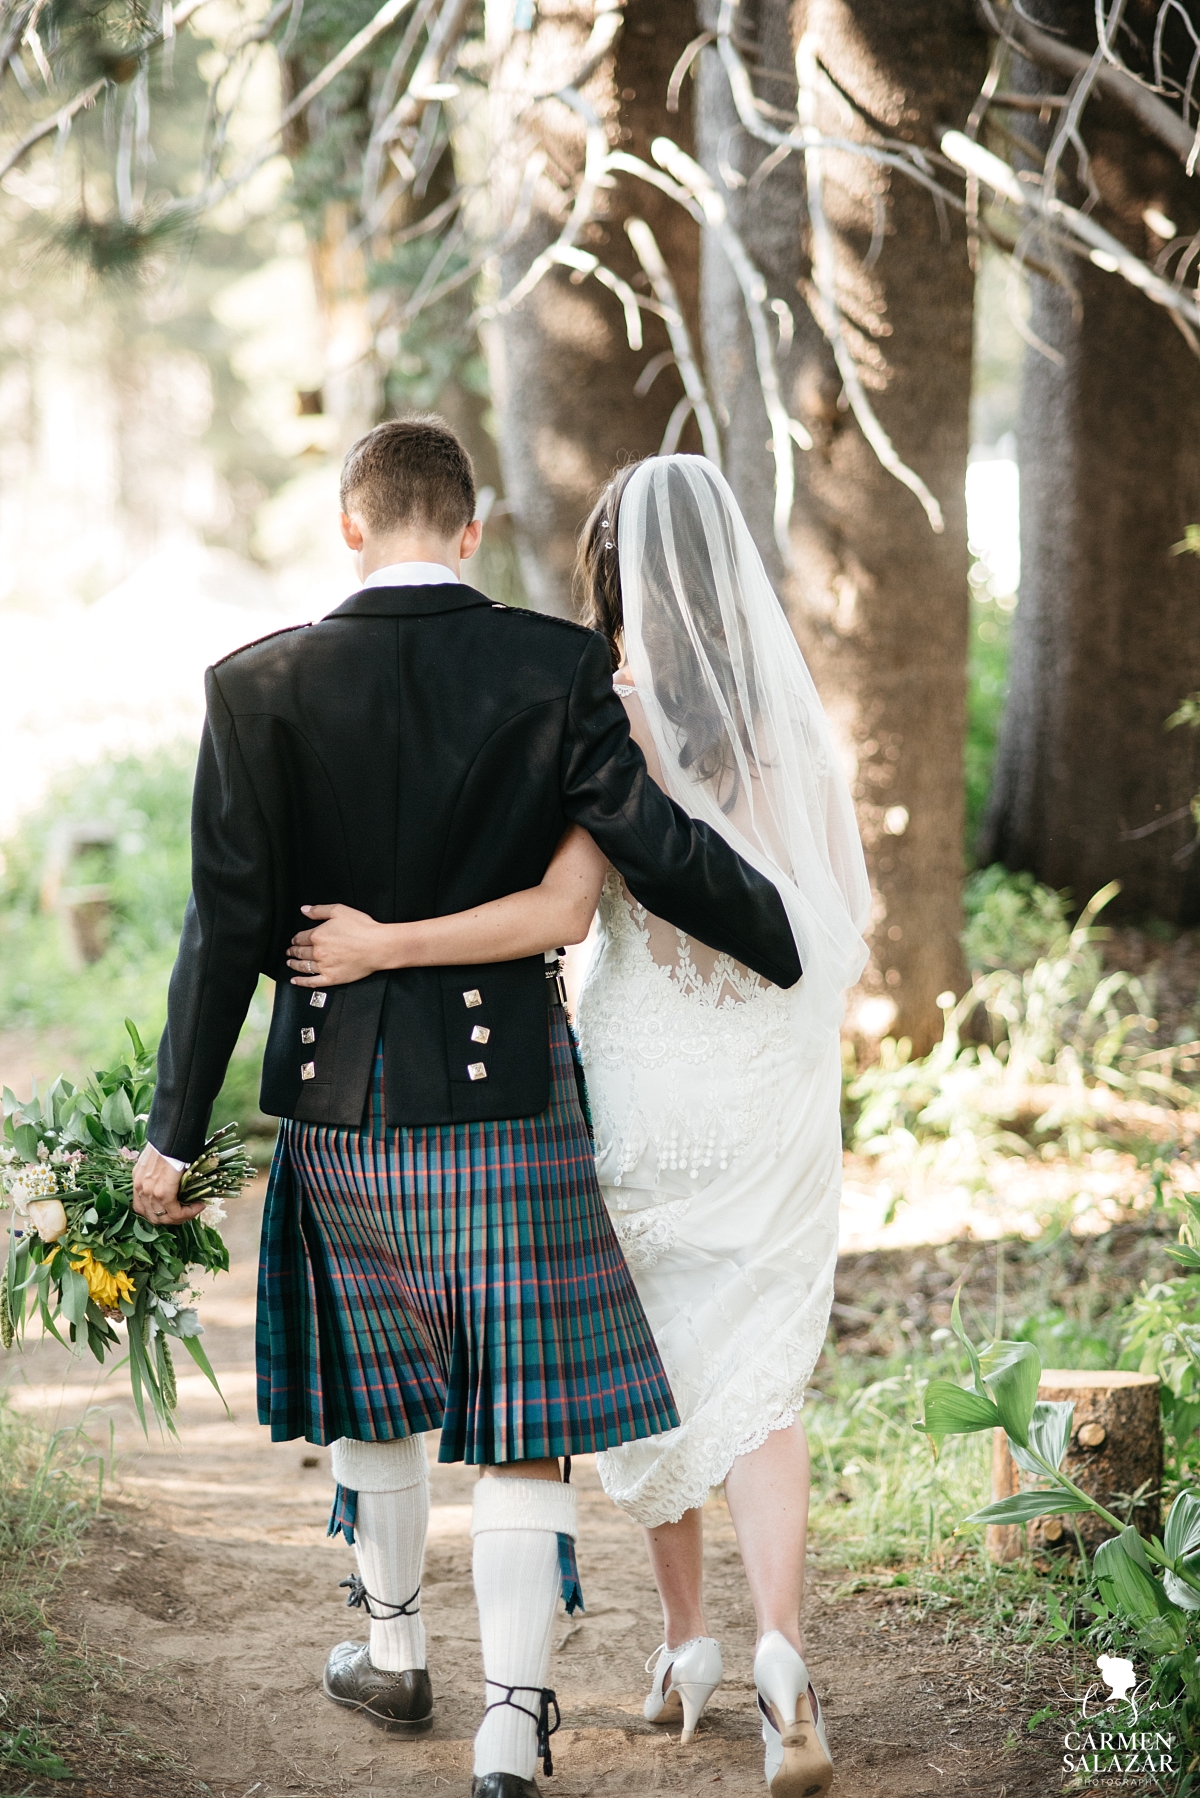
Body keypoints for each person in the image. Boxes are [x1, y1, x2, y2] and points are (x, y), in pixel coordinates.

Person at [130, 422, 803, 1798]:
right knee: (517, 1408)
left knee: (378, 1392)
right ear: (474, 528)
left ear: (348, 525)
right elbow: (652, 845)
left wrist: (171, 1127)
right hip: (509, 1099)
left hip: (343, 1101)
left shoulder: (255, 685)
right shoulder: (555, 664)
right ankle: (511, 1724)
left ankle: (392, 1648)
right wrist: (783, 937)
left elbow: (226, 928)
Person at [287, 455, 869, 1798]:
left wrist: (386, 946)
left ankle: (686, 1641)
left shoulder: (606, 712)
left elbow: (561, 911)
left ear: (610, 575)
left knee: (639, 1352)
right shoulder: (787, 715)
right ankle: (784, 1649)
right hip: (773, 1068)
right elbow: (836, 915)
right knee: (760, 1374)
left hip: (642, 1063)